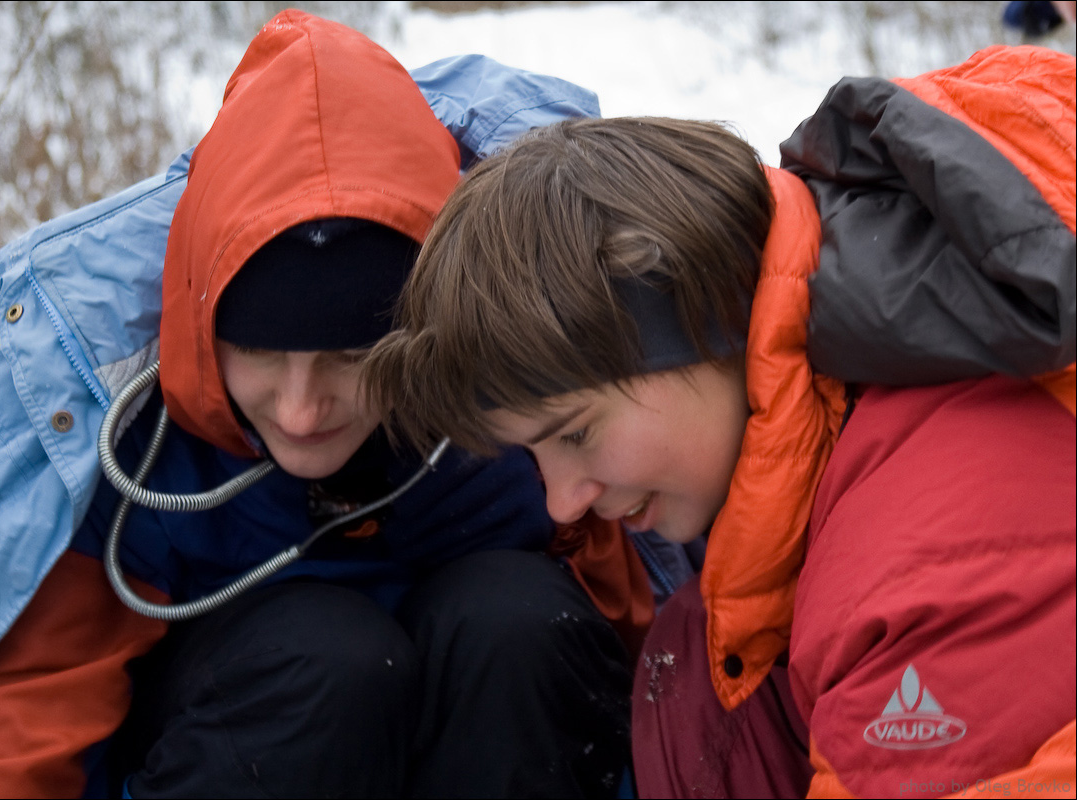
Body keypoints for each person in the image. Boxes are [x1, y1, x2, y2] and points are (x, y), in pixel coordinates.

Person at [0, 11, 644, 798]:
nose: (304, 410)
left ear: (427, 337)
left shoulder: (515, 436)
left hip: (476, 737)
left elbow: (652, 661)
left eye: (353, 357)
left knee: (515, 620)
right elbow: (19, 725)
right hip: (246, 732)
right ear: (207, 338)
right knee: (322, 660)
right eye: (263, 355)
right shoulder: (138, 458)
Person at [364, 44, 1075, 799]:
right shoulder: (858, 403)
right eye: (534, 459)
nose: (563, 503)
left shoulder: (926, 564)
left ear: (700, 318)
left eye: (573, 433)